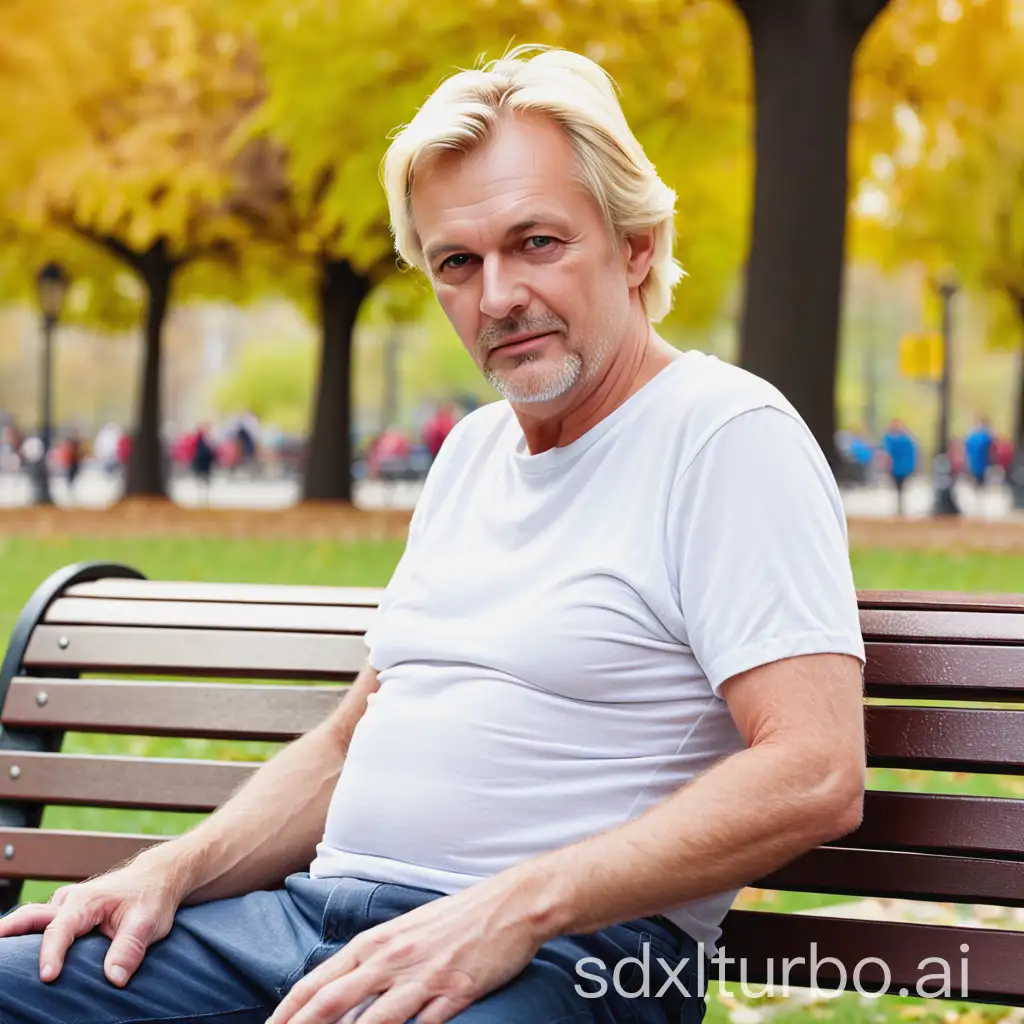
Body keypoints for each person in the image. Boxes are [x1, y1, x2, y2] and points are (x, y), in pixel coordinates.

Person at [0, 46, 866, 1024]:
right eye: (458, 261)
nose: (496, 296)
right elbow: (348, 740)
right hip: (300, 928)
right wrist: (173, 869)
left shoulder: (723, 436)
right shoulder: (470, 453)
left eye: (536, 242)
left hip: (565, 957)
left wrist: (510, 908)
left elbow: (815, 770)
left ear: (635, 245)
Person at [881, 418, 917, 516]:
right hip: (902, 468)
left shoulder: (890, 440)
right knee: (900, 488)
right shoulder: (907, 440)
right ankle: (900, 507)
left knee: (899, 488)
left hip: (897, 468)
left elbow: (886, 453)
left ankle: (900, 507)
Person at [964, 416, 994, 489]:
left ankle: (976, 484)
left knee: (976, 472)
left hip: (976, 461)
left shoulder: (972, 435)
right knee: (978, 473)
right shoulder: (984, 436)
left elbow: (967, 444)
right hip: (980, 461)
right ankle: (978, 484)